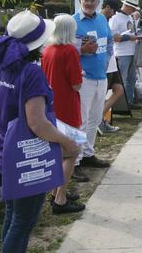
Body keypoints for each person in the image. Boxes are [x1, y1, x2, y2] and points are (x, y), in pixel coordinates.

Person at [0, 10, 80, 252]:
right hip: (26, 157)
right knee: (23, 222)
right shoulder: (31, 71)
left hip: (0, 149)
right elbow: (37, 123)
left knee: (12, 214)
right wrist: (68, 143)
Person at [41, 14, 86, 214]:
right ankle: (60, 198)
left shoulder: (47, 50)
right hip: (68, 106)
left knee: (57, 152)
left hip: (51, 107)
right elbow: (76, 84)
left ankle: (56, 191)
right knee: (71, 152)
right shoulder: (69, 51)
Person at [72, 0, 113, 182]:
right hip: (83, 79)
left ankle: (87, 154)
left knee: (95, 119)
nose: (89, 3)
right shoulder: (73, 22)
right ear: (80, 1)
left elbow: (110, 42)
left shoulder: (102, 18)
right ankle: (75, 161)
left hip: (101, 77)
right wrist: (81, 50)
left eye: (92, 0)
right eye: (86, 0)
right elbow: (64, 51)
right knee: (80, 121)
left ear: (98, 2)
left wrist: (106, 60)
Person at [110, 0, 141, 109]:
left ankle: (128, 102)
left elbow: (130, 32)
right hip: (121, 53)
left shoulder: (129, 17)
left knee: (131, 78)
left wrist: (136, 37)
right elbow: (114, 37)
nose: (133, 11)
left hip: (131, 51)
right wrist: (130, 38)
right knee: (122, 79)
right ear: (126, 6)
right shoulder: (115, 18)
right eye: (132, 8)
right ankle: (119, 104)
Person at [100, 0, 124, 133]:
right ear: (107, 7)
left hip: (111, 63)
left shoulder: (106, 20)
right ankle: (100, 120)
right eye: (113, 11)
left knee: (119, 90)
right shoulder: (100, 20)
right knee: (101, 95)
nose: (114, 14)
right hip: (105, 65)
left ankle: (99, 118)